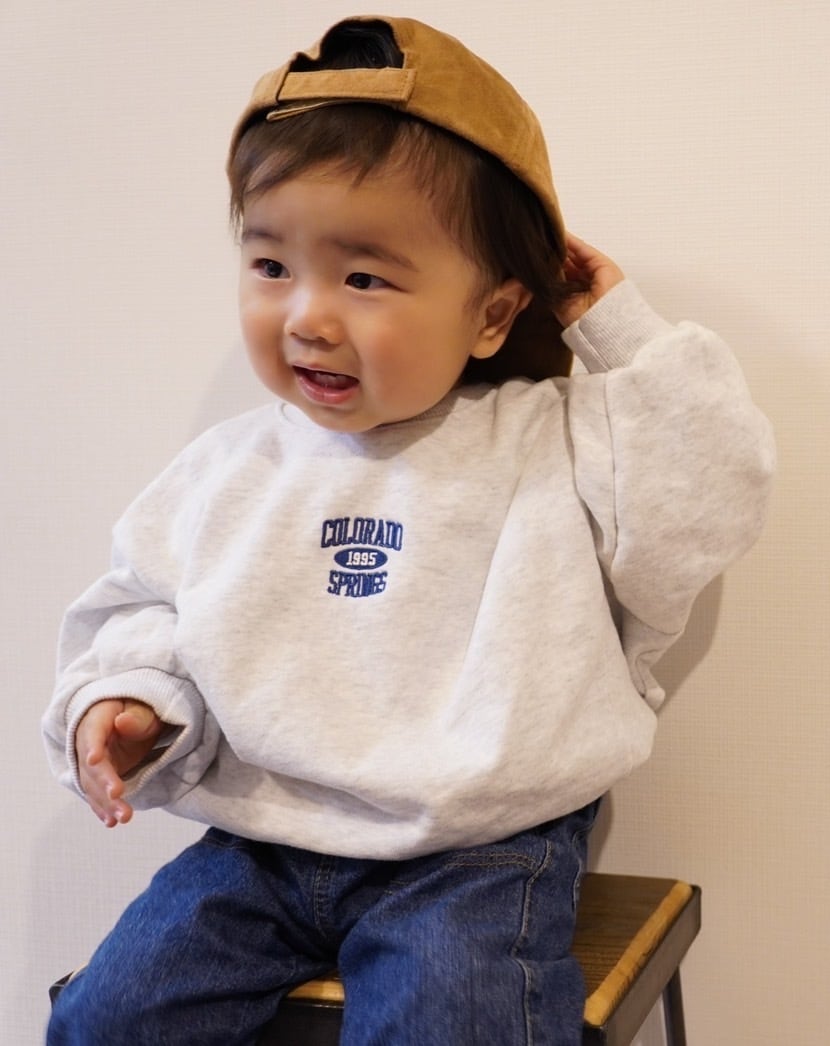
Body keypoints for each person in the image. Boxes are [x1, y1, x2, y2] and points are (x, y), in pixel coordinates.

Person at [42, 15, 774, 1045]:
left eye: (364, 278)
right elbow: (152, 610)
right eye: (270, 265)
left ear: (492, 314)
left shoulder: (551, 440)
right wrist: (131, 701)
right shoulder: (227, 469)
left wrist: (612, 325)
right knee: (107, 1017)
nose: (307, 316)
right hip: (262, 845)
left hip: (479, 847)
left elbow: (707, 494)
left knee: (451, 1016)